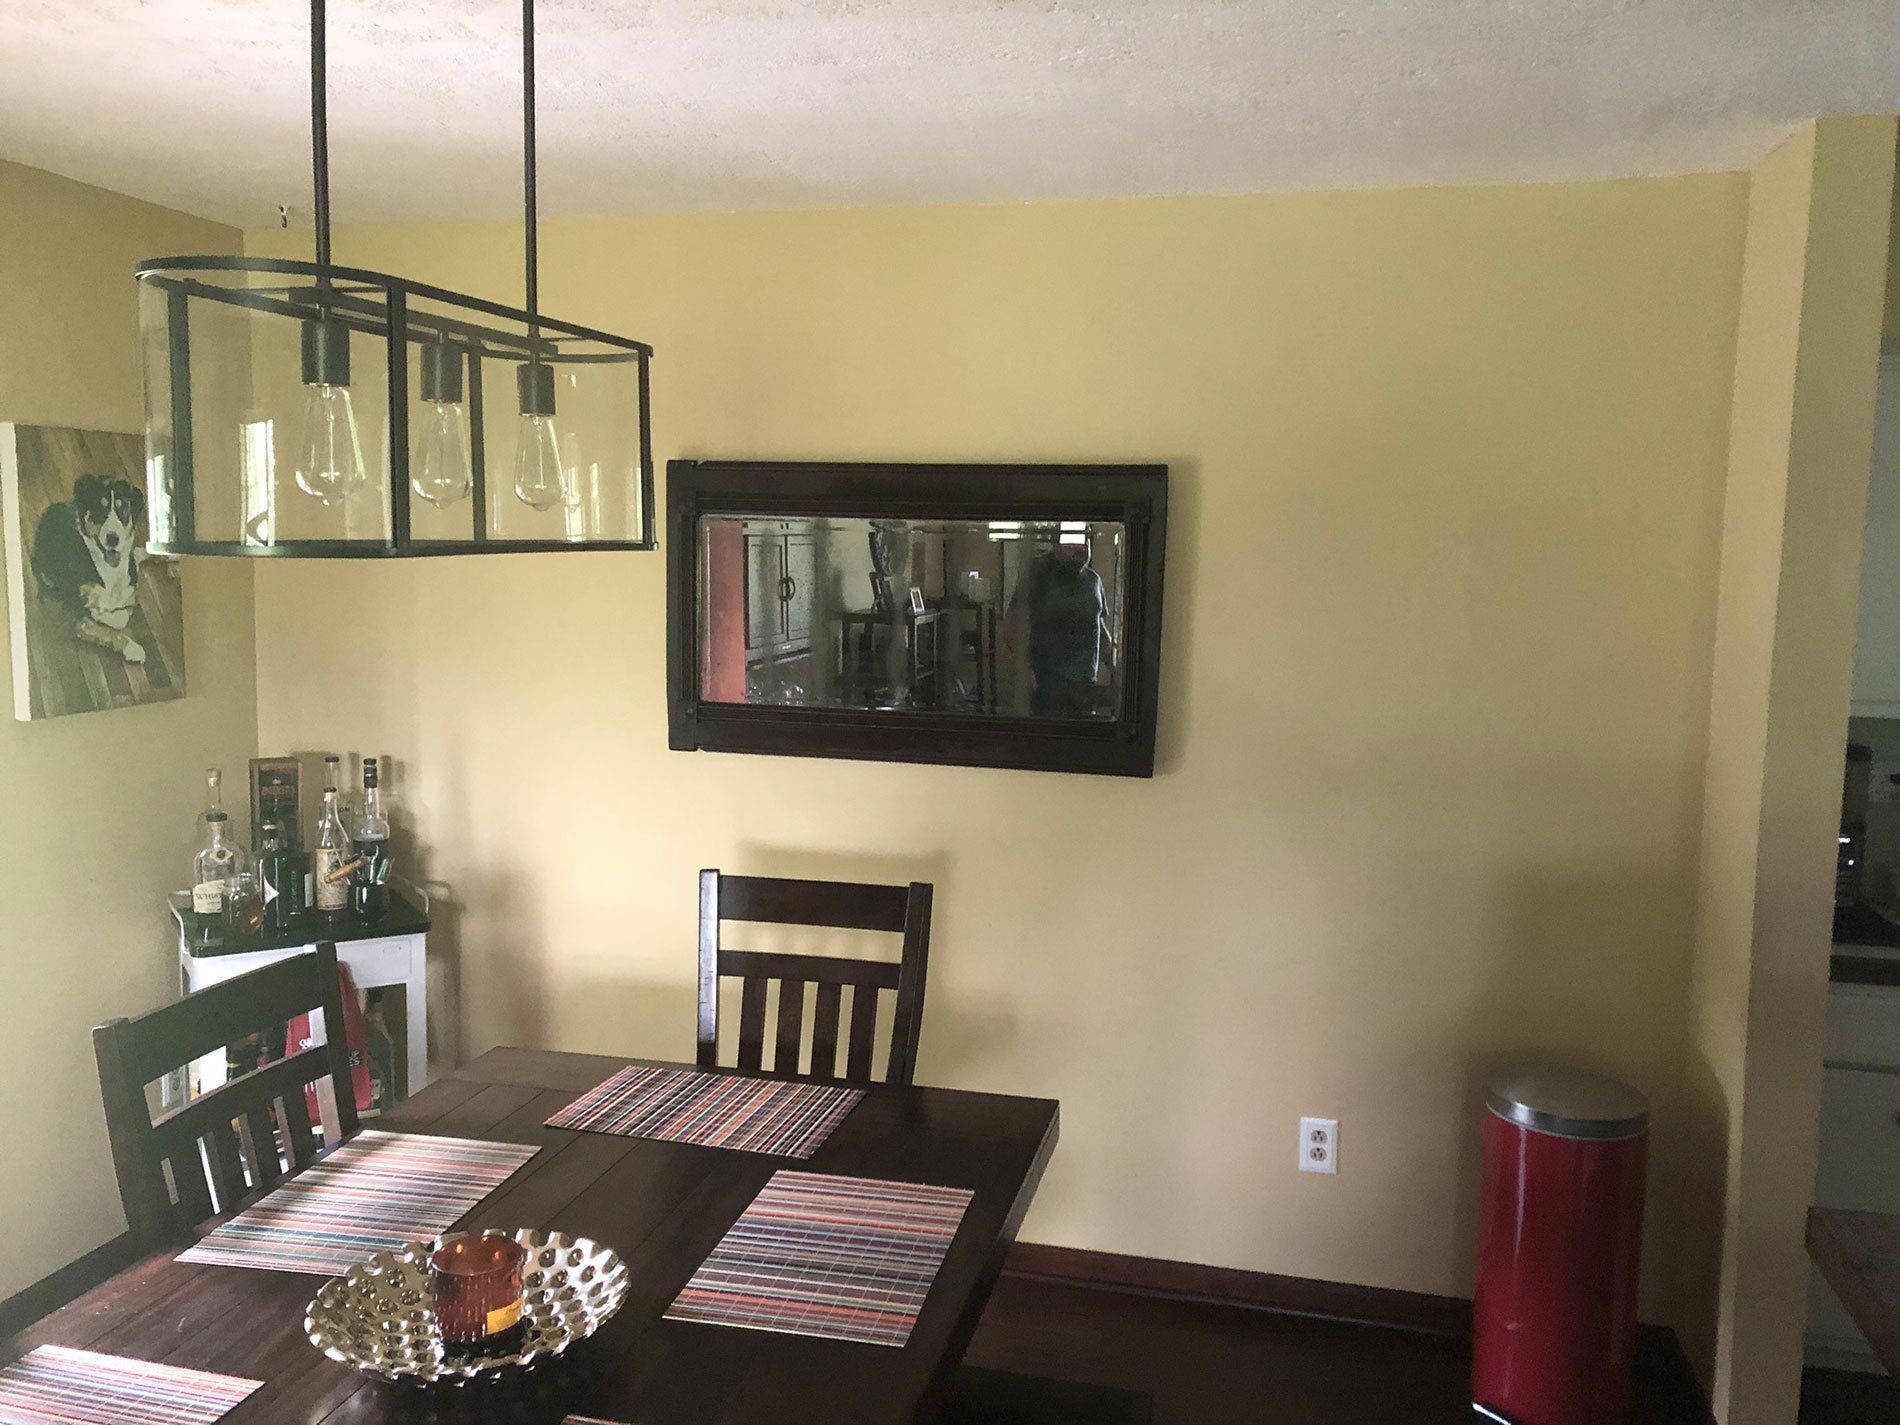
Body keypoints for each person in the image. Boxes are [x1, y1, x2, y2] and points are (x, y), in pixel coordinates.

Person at [1007, 538, 1115, 716]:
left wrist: (1115, 669)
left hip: (1085, 686)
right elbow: (1011, 626)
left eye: (1083, 541)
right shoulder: (1039, 576)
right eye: (1071, 541)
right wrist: (1025, 670)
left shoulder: (1093, 581)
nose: (1079, 548)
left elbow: (1100, 629)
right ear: (1055, 544)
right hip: (1048, 685)